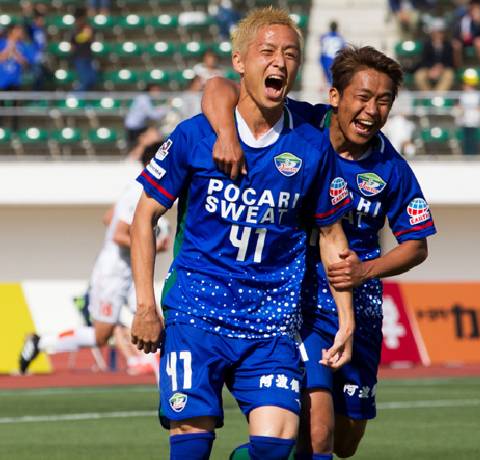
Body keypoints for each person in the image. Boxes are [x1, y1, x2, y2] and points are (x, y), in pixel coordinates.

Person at [129, 8, 355, 460]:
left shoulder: (311, 145)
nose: (280, 63)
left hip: (271, 324)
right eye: (267, 51)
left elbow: (331, 236)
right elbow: (143, 217)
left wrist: (346, 318)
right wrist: (145, 306)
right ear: (240, 61)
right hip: (197, 314)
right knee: (191, 446)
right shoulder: (195, 136)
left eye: (291, 54)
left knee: (276, 445)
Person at [201, 45, 436, 458]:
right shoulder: (302, 124)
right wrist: (224, 132)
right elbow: (218, 87)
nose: (371, 111)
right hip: (301, 300)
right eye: (362, 98)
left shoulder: (391, 168)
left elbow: (416, 245)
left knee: (346, 440)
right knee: (319, 431)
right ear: (335, 97)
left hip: (358, 307)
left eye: (383, 102)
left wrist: (366, 270)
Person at [18, 143, 171, 375]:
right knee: (102, 335)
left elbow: (108, 218)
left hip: (128, 270)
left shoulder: (137, 189)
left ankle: (163, 371)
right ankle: (41, 342)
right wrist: (151, 244)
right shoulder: (139, 192)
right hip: (113, 273)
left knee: (154, 317)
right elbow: (119, 234)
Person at [0, 24, 35, 130]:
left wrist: (16, 53)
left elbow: (26, 63)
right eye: (18, 31)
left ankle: (15, 129)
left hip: (15, 80)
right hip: (2, 80)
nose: (20, 33)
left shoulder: (23, 46)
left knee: (15, 107)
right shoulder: (2, 43)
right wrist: (9, 48)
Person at [414, 18, 455, 92]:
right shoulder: (426, 44)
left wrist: (441, 68)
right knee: (419, 76)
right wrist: (431, 69)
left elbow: (450, 62)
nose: (439, 34)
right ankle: (427, 97)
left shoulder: (448, 45)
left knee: (449, 75)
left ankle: (438, 96)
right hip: (429, 68)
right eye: (437, 32)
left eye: (441, 32)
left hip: (444, 69)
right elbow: (424, 60)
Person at [452, 0, 480, 69]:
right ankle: (458, 69)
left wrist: (479, 22)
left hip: (479, 41)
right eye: (472, 5)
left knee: (479, 42)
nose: (474, 7)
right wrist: (460, 37)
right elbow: (456, 33)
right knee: (456, 45)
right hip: (464, 41)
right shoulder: (462, 17)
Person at [456, 69, 480, 155]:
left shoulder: (477, 95)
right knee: (466, 141)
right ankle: (466, 156)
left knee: (473, 141)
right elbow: (459, 108)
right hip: (464, 122)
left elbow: (479, 108)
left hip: (474, 122)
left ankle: (473, 156)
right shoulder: (461, 95)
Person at [71, 8, 97, 91]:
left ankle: (84, 100)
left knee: (92, 79)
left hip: (89, 57)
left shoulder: (88, 28)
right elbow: (72, 45)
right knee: (86, 80)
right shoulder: (74, 30)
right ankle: (77, 97)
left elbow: (91, 38)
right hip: (79, 58)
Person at [319, 21, 346, 85]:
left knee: (325, 74)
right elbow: (343, 48)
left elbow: (322, 47)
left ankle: (323, 86)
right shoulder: (340, 38)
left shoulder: (325, 37)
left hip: (326, 58)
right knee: (333, 77)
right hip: (335, 58)